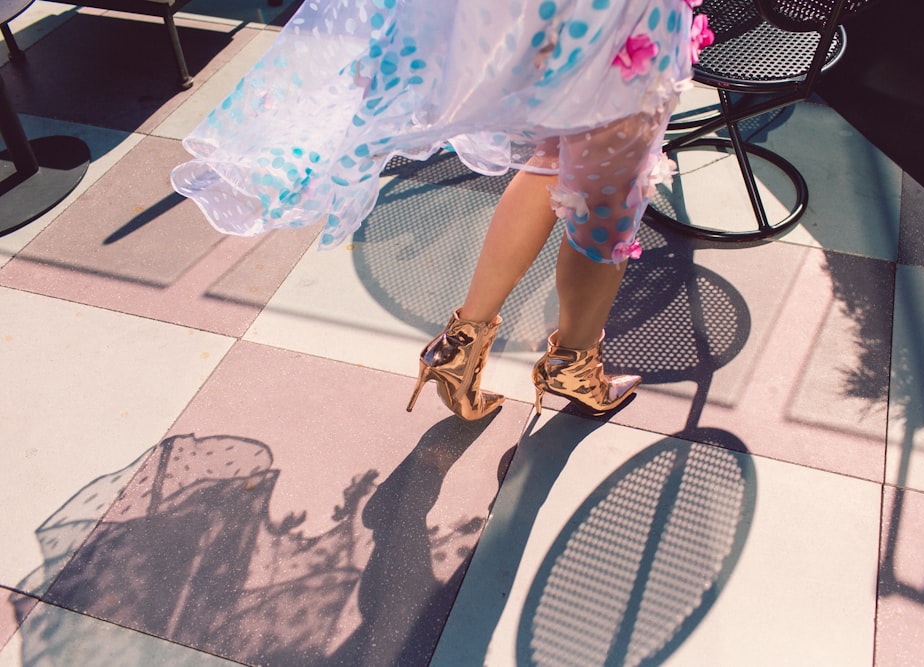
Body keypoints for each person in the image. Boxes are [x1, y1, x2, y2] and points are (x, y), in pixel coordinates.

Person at [172, 0, 713, 421]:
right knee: (609, 205)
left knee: (553, 155)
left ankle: (461, 345)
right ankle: (574, 366)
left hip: (544, 22)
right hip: (620, 25)